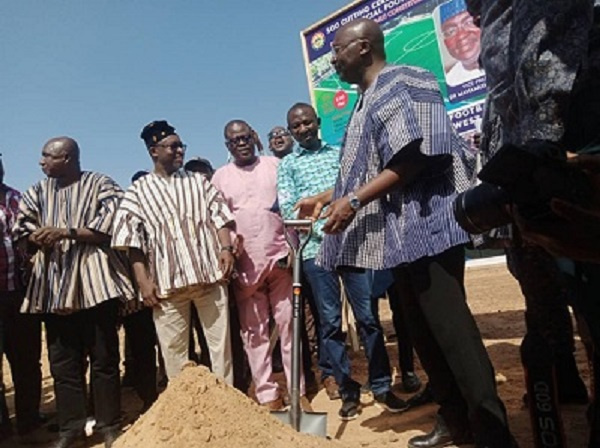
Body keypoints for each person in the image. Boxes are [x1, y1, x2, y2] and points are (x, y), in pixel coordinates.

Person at [301, 19, 515, 447]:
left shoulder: (405, 80)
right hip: (398, 237)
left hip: (430, 225)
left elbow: (417, 155)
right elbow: (377, 165)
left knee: (452, 333)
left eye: (337, 50)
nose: (332, 59)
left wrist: (355, 201)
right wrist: (329, 195)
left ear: (362, 48)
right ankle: (456, 423)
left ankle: (493, 433)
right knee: (425, 337)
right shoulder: (365, 100)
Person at [279, 103, 408, 420]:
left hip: (353, 243)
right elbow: (288, 210)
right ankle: (348, 391)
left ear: (317, 122)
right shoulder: (287, 166)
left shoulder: (339, 153)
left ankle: (380, 385)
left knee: (368, 318)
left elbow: (355, 186)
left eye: (307, 123)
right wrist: (318, 209)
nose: (303, 130)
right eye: (296, 126)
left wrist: (326, 198)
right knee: (331, 323)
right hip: (314, 252)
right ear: (290, 130)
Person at [13, 137, 135, 448]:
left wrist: (65, 231)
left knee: (104, 359)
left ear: (66, 158)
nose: (41, 162)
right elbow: (21, 229)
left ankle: (109, 424)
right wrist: (36, 237)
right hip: (53, 288)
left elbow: (111, 226)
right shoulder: (37, 191)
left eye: (47, 156)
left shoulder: (100, 184)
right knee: (63, 363)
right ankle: (71, 428)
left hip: (95, 285)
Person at [112, 120, 235, 384]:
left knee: (220, 351)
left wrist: (226, 248)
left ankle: (228, 409)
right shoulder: (137, 191)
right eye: (173, 146)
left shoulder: (198, 182)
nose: (180, 151)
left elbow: (221, 217)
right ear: (154, 150)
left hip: (208, 278)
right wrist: (143, 282)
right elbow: (131, 242)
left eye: (182, 146)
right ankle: (185, 416)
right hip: (167, 287)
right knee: (174, 355)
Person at [212, 119, 309, 411]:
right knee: (254, 334)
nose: (241, 143)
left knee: (289, 326)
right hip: (246, 268)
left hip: (281, 258)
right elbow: (219, 220)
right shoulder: (220, 177)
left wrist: (292, 246)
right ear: (228, 146)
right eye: (234, 141)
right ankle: (267, 393)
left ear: (254, 138)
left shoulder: (275, 167)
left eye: (245, 137)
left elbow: (291, 207)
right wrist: (228, 248)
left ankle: (297, 390)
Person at [0, 156, 43, 443]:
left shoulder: (18, 199)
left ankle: (29, 420)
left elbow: (31, 240)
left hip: (20, 294)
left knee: (27, 361)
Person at [439, 0, 484, 86]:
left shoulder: (510, 61)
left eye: (469, 22)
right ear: (445, 43)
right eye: (450, 31)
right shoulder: (450, 81)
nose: (461, 36)